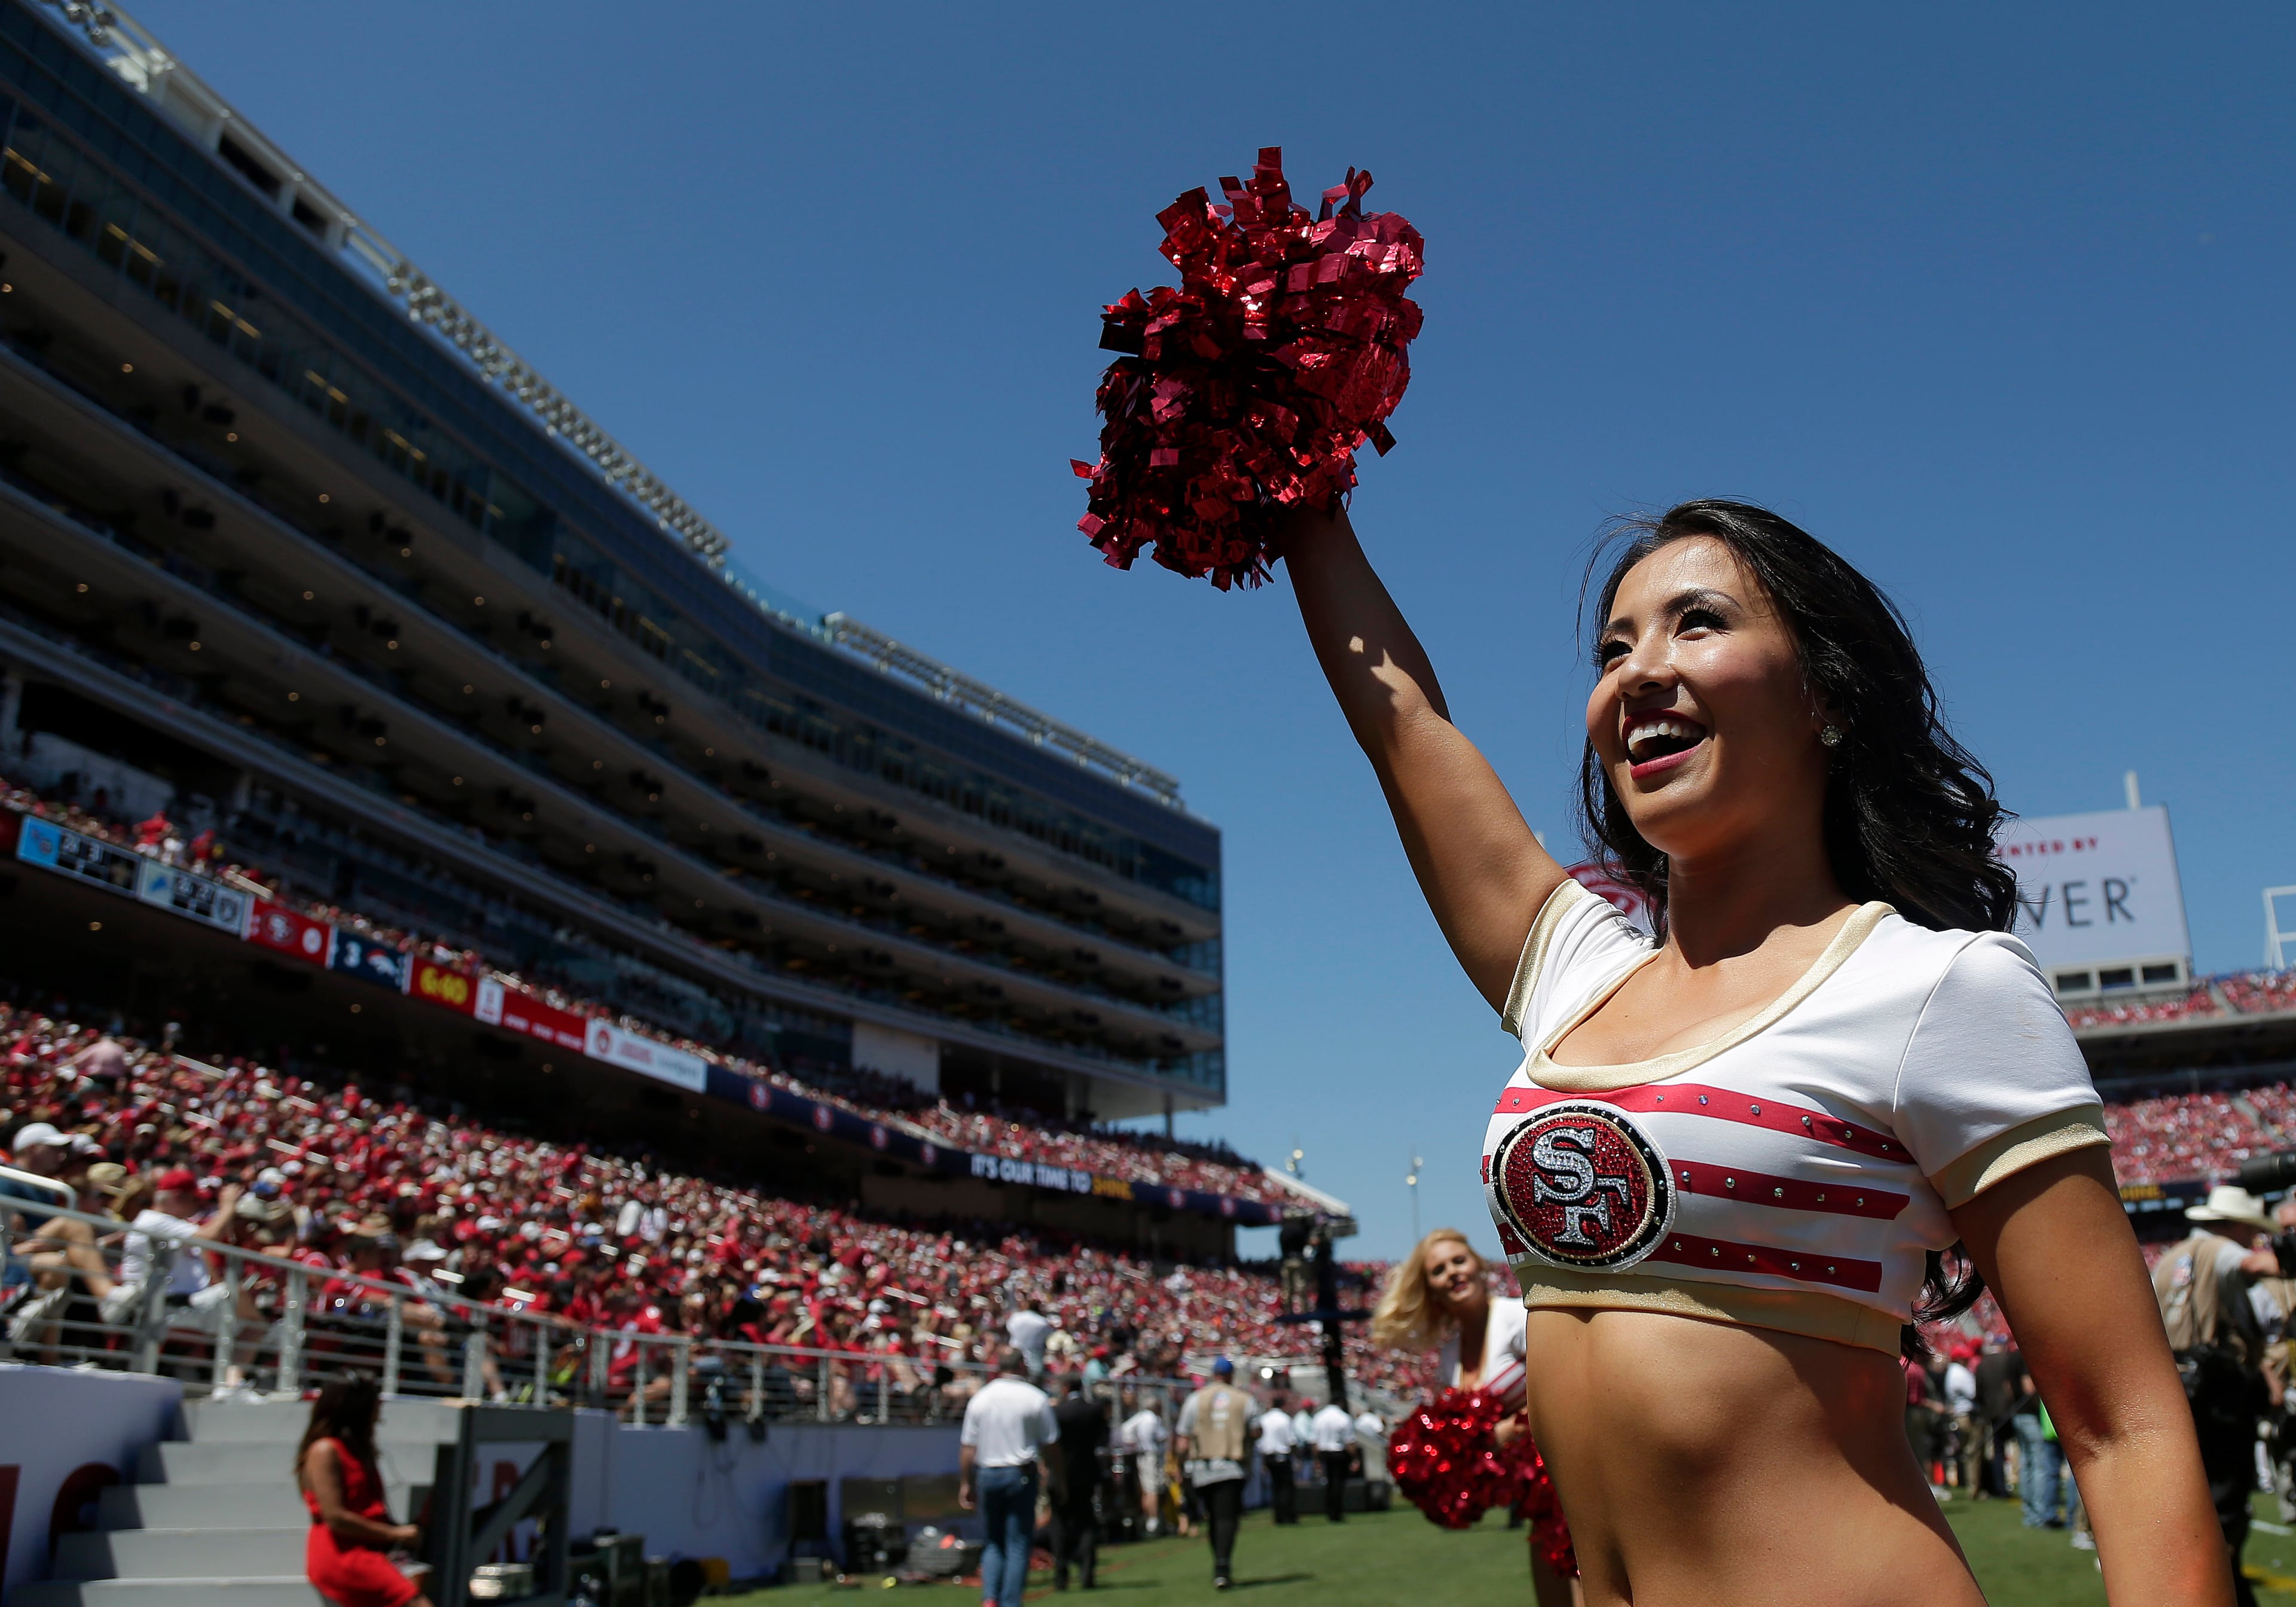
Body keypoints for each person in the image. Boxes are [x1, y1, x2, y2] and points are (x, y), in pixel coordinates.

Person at [1281, 496, 2225, 1602]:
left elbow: (2126, 1425)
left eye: (1697, 623)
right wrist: (1299, 501)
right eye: (1613, 647)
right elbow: (1405, 729)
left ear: (1824, 694)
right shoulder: (1578, 974)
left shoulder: (1934, 985)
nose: (1639, 671)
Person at [1372, 1226, 1576, 1603]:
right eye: (1439, 1270)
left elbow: (1569, 1387)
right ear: (1431, 1287)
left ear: (1479, 1265)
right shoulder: (1449, 1356)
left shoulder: (1519, 1317)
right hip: (1535, 1495)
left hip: (1572, 1479)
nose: (1452, 1272)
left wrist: (1508, 1431)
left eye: (1459, 1261)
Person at [2155, 1185, 2283, 1606]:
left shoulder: (2171, 1258)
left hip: (2176, 1382)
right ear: (2234, 1223)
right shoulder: (2221, 1249)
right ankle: (2219, 1587)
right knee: (2225, 1497)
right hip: (2217, 1388)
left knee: (2189, 1495)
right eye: (2250, 1229)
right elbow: (2256, 1262)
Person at [297, 1371, 430, 1607]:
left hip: (371, 1548)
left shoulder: (359, 1450)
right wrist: (395, 1535)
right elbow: (335, 1518)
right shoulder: (325, 1450)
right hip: (343, 1554)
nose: (380, 1406)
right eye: (374, 1400)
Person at [958, 1348, 1061, 1607]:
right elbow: (1051, 1443)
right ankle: (1010, 1602)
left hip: (988, 1473)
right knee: (1017, 1544)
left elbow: (968, 1447)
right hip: (1019, 1473)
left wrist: (965, 1483)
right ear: (1022, 1366)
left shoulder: (982, 1398)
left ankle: (990, 1597)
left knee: (994, 1541)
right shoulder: (1034, 1397)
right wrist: (1056, 1473)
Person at [1173, 1358, 1253, 1589]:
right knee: (1227, 1517)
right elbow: (1256, 1429)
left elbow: (1183, 1437)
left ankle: (1220, 1564)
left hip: (1204, 1466)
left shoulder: (1196, 1400)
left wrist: (1179, 1465)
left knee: (1214, 1518)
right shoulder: (1243, 1399)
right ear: (1230, 1375)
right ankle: (1223, 1565)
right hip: (1232, 1465)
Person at [1050, 1374, 1107, 1590]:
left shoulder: (1058, 1412)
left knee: (1060, 1524)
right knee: (1087, 1522)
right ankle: (1087, 1572)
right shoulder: (1093, 1411)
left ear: (1065, 1388)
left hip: (1061, 1475)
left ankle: (1061, 1574)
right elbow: (1103, 1439)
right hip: (1087, 1474)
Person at [1119, 1395, 1168, 1537]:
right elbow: (1162, 1436)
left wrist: (1133, 1443)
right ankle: (1153, 1522)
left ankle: (1150, 1520)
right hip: (1151, 1455)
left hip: (1141, 1454)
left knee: (1146, 1489)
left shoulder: (1140, 1417)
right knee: (1152, 1489)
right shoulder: (1153, 1419)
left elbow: (1125, 1429)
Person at [1309, 1394, 1355, 1523]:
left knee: (1329, 1482)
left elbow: (1314, 1441)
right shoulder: (1343, 1417)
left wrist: (1316, 1459)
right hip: (1338, 1453)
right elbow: (1349, 1441)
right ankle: (1337, 1512)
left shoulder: (1319, 1417)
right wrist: (1354, 1457)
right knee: (1338, 1483)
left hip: (1325, 1453)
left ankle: (1330, 1511)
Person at [1256, 1389, 1299, 1525]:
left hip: (1269, 1456)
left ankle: (1278, 1516)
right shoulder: (1285, 1419)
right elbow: (1291, 1441)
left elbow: (1261, 1443)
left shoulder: (1264, 1419)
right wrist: (1296, 1457)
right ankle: (1288, 1515)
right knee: (1286, 1487)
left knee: (1275, 1486)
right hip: (1283, 1455)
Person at [1006, 1295, 1052, 1380]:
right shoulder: (1043, 1322)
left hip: (1015, 1359)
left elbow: (1009, 1330)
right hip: (1033, 1362)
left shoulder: (1015, 1318)